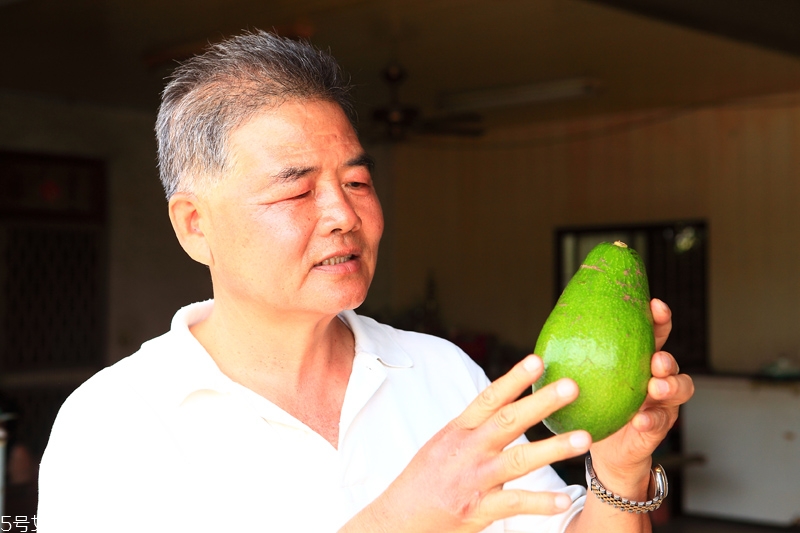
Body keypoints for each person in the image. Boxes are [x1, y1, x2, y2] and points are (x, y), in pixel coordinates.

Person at [37, 30, 694, 533]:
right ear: (194, 225)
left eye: (356, 181)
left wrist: (618, 464)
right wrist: (400, 519)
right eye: (296, 190)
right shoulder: (113, 424)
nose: (344, 215)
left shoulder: (441, 374)